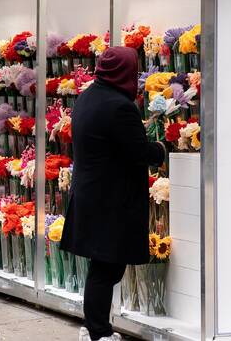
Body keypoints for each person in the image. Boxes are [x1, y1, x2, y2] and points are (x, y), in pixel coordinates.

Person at [61, 47, 166, 341]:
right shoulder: (120, 106)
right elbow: (138, 152)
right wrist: (159, 149)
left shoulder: (88, 97)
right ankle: (98, 332)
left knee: (103, 266)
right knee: (106, 268)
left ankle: (94, 327)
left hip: (93, 195)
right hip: (110, 200)